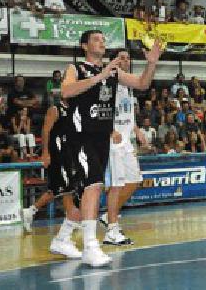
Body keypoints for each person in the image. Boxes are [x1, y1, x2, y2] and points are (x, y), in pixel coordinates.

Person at [60, 30, 163, 267]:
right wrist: (100, 75)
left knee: (91, 189)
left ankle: (67, 238)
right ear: (84, 45)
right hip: (80, 134)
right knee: (95, 186)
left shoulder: (114, 72)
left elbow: (142, 83)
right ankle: (90, 245)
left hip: (101, 138)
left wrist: (151, 64)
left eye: (103, 39)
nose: (101, 42)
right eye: (96, 39)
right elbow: (66, 92)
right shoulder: (76, 68)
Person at [20, 100, 85, 261]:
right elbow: (46, 130)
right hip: (56, 154)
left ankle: (31, 211)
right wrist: (45, 153)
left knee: (58, 189)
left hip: (68, 154)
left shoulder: (75, 109)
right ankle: (65, 235)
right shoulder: (55, 109)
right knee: (67, 190)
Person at [98, 51, 151, 246]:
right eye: (121, 57)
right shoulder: (108, 81)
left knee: (135, 180)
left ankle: (107, 216)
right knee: (116, 185)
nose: (125, 60)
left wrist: (137, 130)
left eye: (128, 58)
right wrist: (109, 130)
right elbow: (98, 108)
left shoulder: (128, 85)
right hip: (113, 141)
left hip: (127, 140)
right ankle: (111, 231)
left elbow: (126, 112)